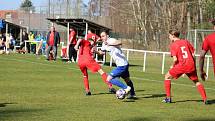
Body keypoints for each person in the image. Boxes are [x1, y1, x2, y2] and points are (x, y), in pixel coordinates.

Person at [163, 29, 207, 104]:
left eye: (169, 35)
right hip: (191, 64)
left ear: (173, 35)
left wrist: (172, 66)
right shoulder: (185, 42)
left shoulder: (174, 45)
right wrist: (193, 64)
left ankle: (168, 98)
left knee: (167, 76)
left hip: (182, 65)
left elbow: (175, 59)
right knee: (196, 82)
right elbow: (193, 55)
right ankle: (205, 99)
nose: (169, 37)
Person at [96, 31, 135, 99]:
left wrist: (110, 44)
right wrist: (95, 51)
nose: (102, 37)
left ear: (107, 36)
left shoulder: (111, 40)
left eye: (103, 36)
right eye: (101, 36)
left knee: (109, 79)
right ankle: (132, 94)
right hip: (122, 64)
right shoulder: (103, 44)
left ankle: (126, 88)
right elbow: (102, 53)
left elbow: (120, 42)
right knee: (127, 80)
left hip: (122, 65)